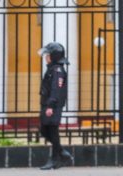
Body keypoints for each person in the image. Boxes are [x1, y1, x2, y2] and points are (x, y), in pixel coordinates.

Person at [38, 42, 74, 170]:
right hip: (48, 104)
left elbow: (56, 90)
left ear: (54, 56)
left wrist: (50, 106)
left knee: (52, 131)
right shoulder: (52, 69)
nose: (45, 57)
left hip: (52, 105)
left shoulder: (57, 71)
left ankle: (55, 159)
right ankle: (61, 154)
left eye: (47, 55)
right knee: (45, 130)